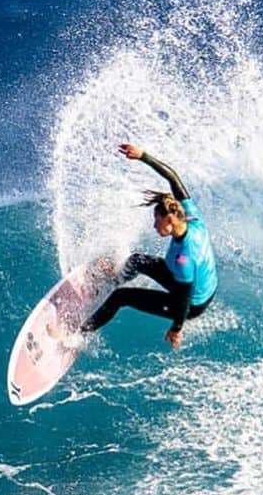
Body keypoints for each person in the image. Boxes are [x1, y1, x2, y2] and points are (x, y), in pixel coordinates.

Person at [83, 143, 218, 349]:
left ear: (170, 219)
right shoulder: (192, 218)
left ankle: (78, 333)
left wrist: (176, 329)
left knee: (122, 297)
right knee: (138, 260)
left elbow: (183, 299)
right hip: (198, 283)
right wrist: (142, 156)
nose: (155, 226)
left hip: (192, 303)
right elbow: (173, 177)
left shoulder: (185, 257)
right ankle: (111, 280)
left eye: (158, 221)